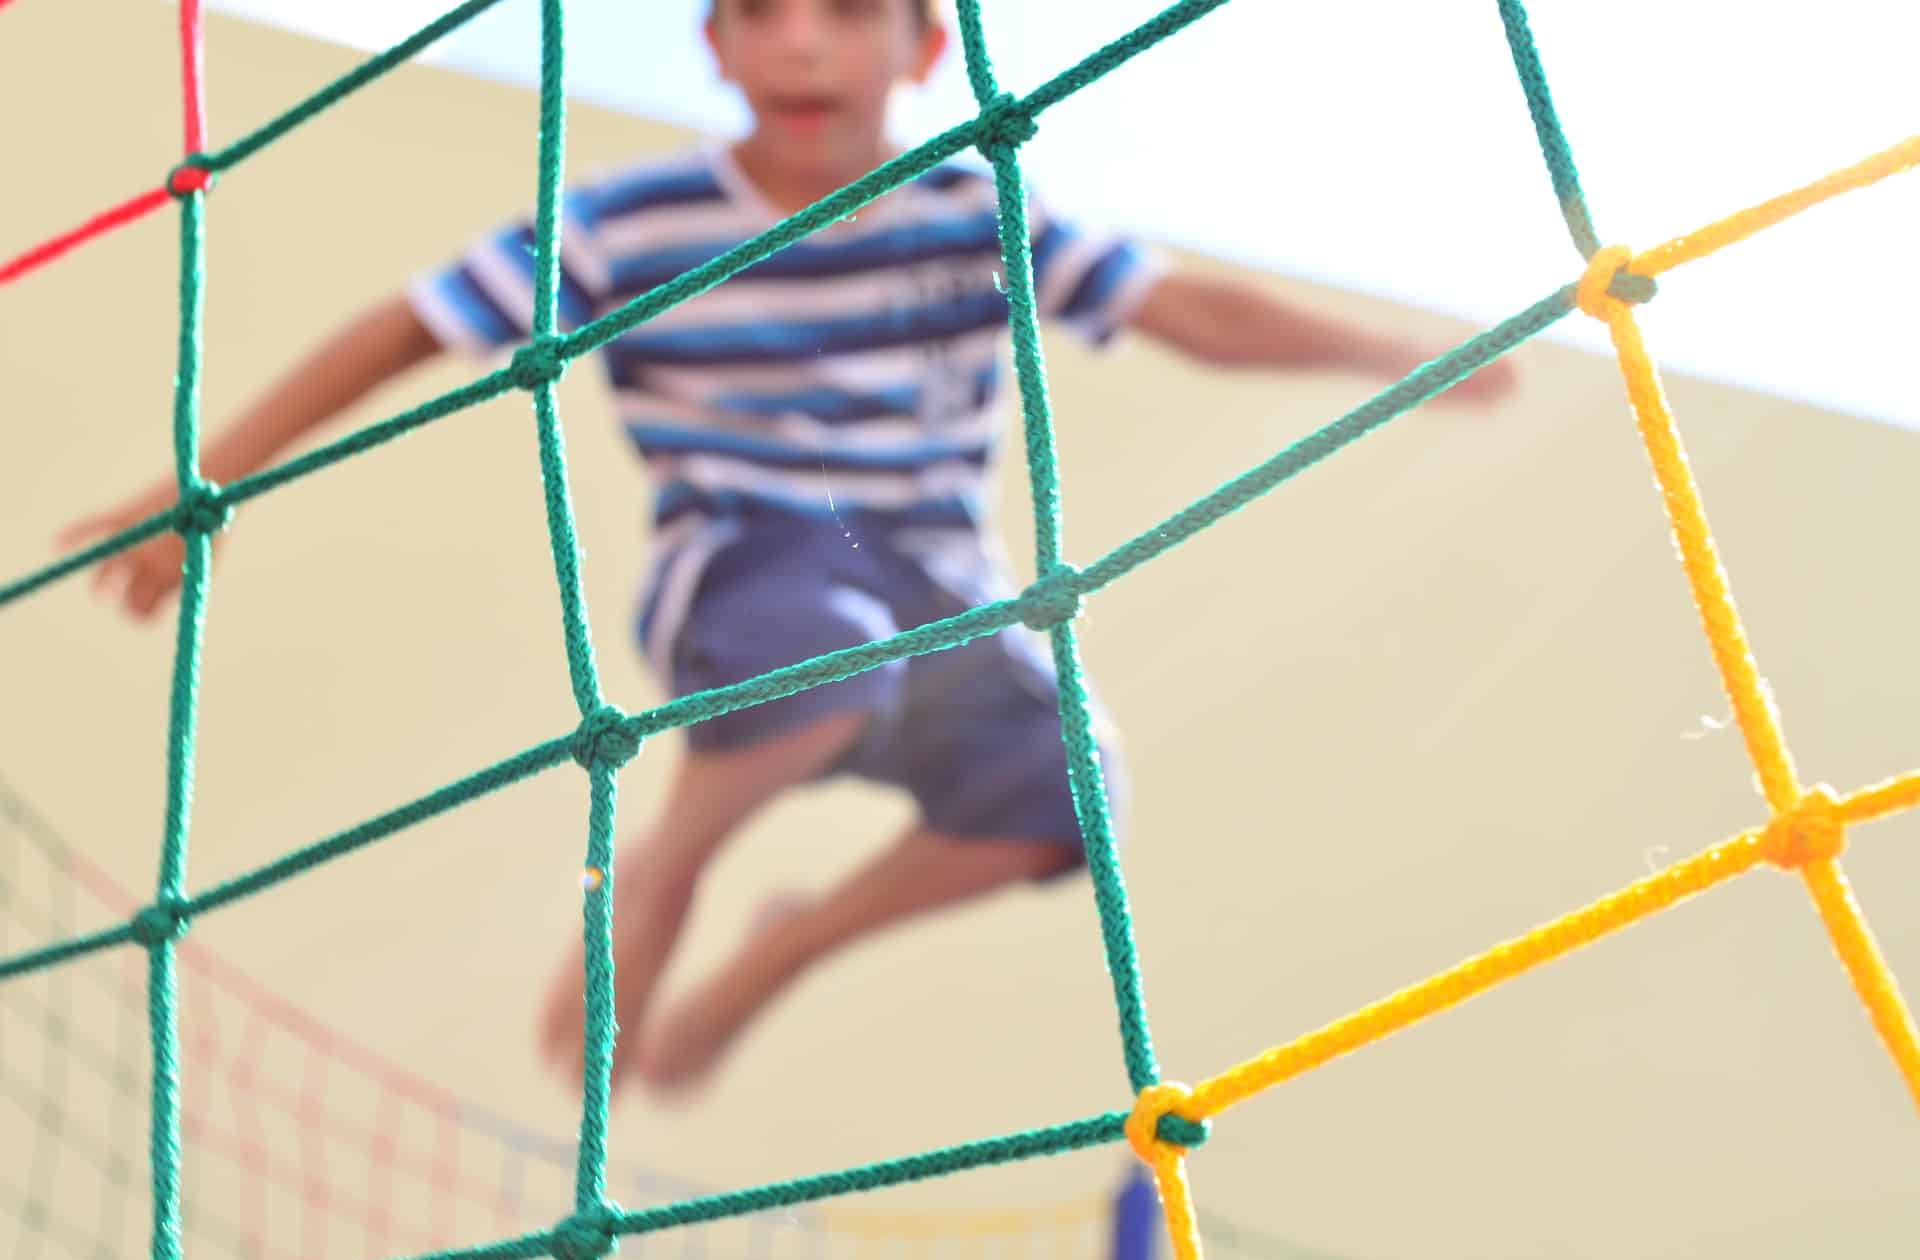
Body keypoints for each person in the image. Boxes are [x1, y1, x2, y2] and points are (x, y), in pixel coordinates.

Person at [61, 0, 1517, 1095]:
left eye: (845, 14)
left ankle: (783, 941)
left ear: (924, 51)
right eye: (763, 12)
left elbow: (1189, 311)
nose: (805, 47)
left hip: (944, 585)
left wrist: (1400, 358)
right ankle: (669, 869)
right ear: (711, 45)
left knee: (1076, 781)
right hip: (746, 564)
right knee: (825, 638)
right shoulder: (634, 221)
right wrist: (205, 483)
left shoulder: (972, 201)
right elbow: (410, 325)